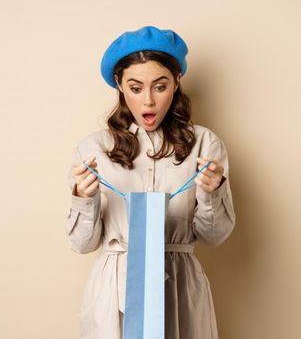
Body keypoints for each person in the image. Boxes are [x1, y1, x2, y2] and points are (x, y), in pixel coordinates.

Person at [65, 25, 236, 339]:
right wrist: (82, 198)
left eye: (160, 86)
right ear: (119, 84)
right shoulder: (94, 149)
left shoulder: (204, 145)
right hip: (113, 293)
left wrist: (213, 193)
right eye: (135, 87)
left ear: (177, 82)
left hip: (180, 287)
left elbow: (213, 237)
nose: (148, 101)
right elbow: (82, 243)